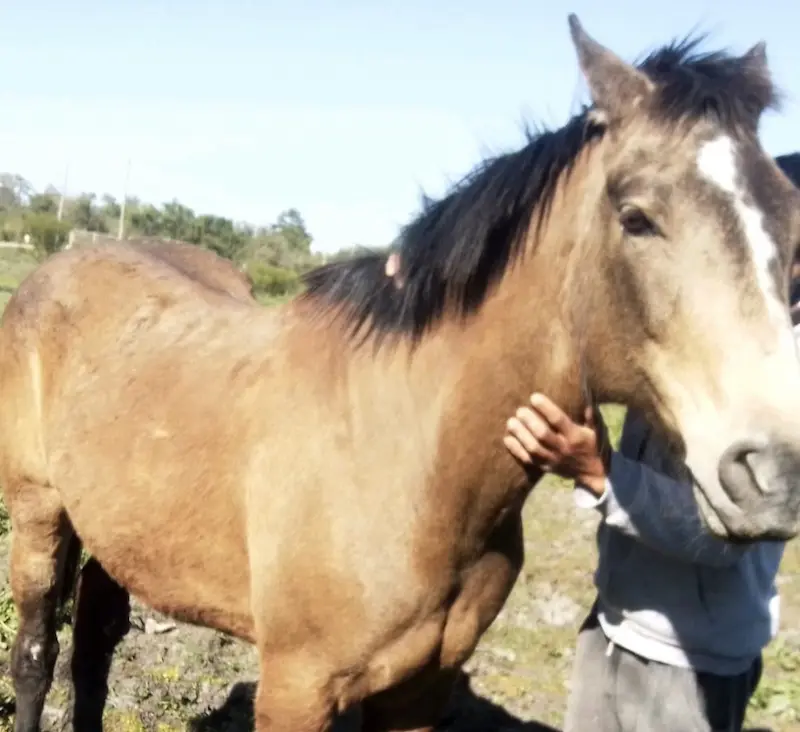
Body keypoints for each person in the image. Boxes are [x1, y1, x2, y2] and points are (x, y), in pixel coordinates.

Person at [503, 385, 787, 730]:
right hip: (612, 624)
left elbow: (728, 531)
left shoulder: (784, 374)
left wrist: (601, 472)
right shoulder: (689, 336)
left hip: (691, 666)